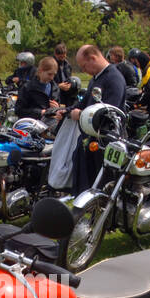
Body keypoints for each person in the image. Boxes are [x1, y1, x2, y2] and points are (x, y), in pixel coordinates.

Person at [65, 44, 126, 195]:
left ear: (93, 58)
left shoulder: (113, 78)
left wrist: (80, 115)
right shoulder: (96, 79)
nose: (83, 70)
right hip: (92, 138)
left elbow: (109, 113)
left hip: (106, 142)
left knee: (103, 186)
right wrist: (65, 111)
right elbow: (84, 102)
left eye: (84, 66)